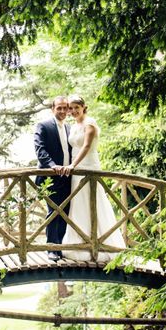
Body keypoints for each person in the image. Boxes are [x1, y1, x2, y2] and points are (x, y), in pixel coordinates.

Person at [60, 95, 126, 261]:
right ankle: (80, 243)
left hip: (87, 166)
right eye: (71, 108)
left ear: (84, 107)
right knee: (79, 203)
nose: (73, 111)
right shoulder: (73, 126)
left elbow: (87, 146)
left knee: (93, 202)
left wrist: (72, 165)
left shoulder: (90, 123)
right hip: (75, 170)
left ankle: (103, 244)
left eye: (76, 107)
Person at [34, 95, 72, 261]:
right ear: (53, 109)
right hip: (50, 176)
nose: (62, 111)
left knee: (65, 212)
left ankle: (61, 247)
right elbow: (39, 149)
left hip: (68, 178)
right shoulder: (43, 125)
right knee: (53, 212)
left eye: (65, 108)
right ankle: (51, 247)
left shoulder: (70, 128)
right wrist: (52, 165)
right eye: (59, 108)